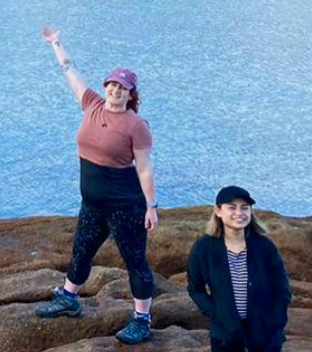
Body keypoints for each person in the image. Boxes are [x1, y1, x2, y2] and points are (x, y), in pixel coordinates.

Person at [32, 27, 163, 345]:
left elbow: (144, 169)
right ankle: (68, 298)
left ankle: (142, 319)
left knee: (135, 263)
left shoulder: (136, 126)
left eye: (123, 87)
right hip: (92, 203)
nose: (116, 90)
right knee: (81, 251)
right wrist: (56, 44)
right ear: (105, 86)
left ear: (131, 93)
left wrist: (151, 206)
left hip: (124, 206)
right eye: (112, 84)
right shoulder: (91, 103)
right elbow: (69, 70)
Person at [188, 186, 291, 351]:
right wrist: (218, 314)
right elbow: (195, 289)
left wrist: (275, 321)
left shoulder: (264, 246)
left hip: (265, 334)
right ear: (218, 211)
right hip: (225, 336)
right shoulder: (203, 247)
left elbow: (282, 289)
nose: (239, 212)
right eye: (232, 207)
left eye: (245, 208)